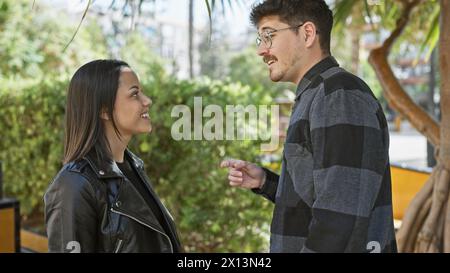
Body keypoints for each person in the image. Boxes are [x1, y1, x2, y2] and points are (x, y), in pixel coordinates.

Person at [220, 0, 397, 253]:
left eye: (269, 36)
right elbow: (324, 195)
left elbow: (340, 219)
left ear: (307, 34)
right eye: (260, 39)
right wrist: (266, 182)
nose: (261, 50)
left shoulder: (339, 95)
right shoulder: (317, 94)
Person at [44, 60, 182, 253]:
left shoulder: (133, 167)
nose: (147, 100)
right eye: (134, 94)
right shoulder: (74, 185)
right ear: (104, 109)